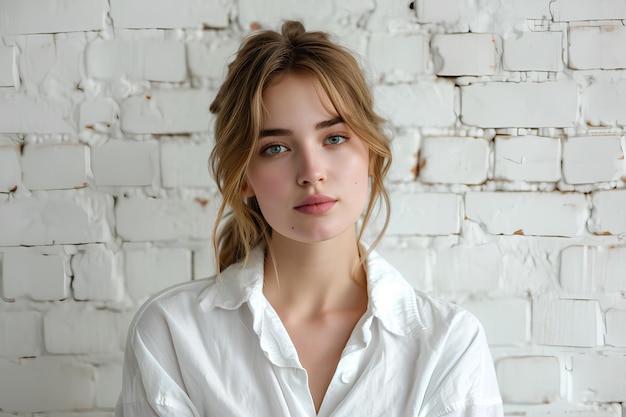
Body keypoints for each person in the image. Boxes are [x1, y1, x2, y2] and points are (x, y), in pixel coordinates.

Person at [116, 20, 503, 417]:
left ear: (369, 153)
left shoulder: (447, 344)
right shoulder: (172, 334)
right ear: (245, 176)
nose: (311, 171)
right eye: (276, 147)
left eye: (334, 138)